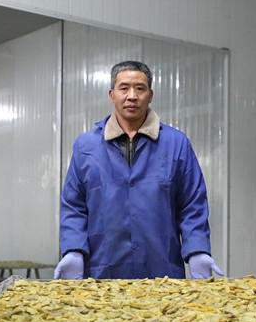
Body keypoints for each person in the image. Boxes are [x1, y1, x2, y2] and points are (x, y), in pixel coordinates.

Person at [55, 60, 223, 280]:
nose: (132, 96)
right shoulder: (86, 146)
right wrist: (73, 249)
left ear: (150, 95)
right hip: (102, 274)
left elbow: (192, 204)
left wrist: (197, 250)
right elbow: (73, 206)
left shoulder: (176, 143)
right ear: (112, 95)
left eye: (140, 88)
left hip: (162, 274)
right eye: (124, 88)